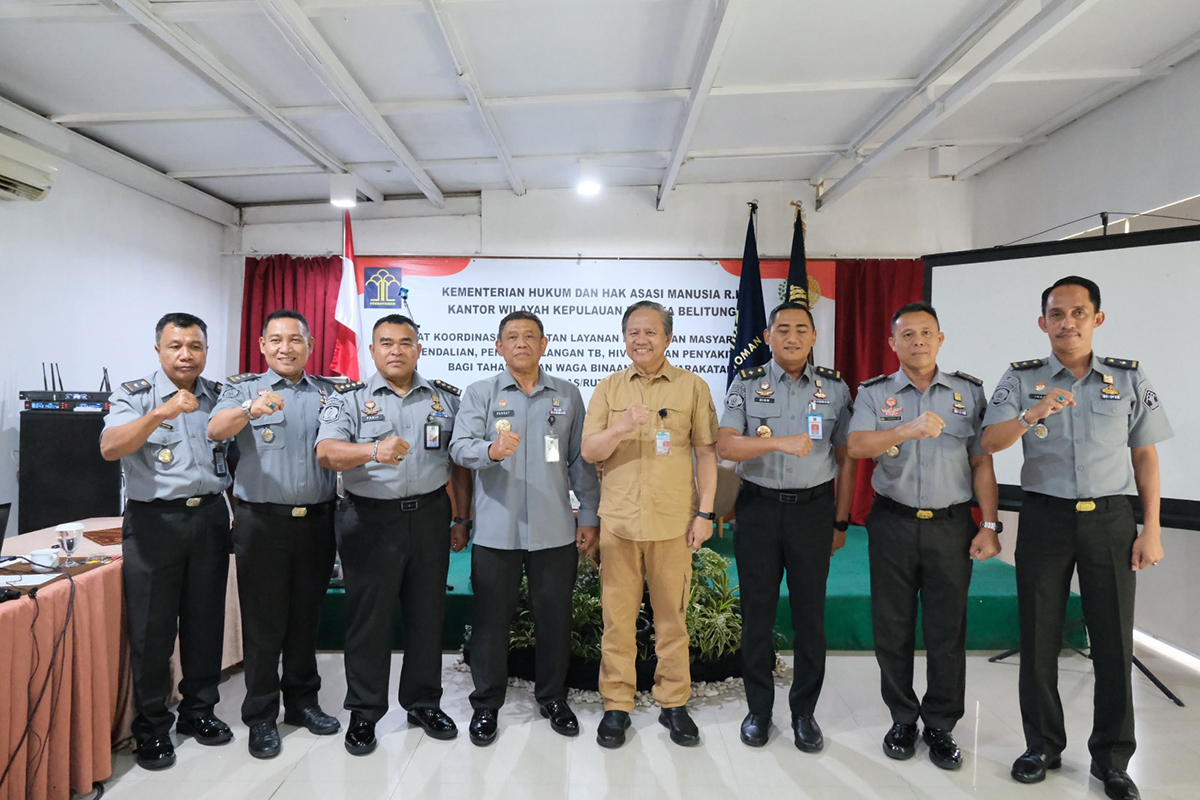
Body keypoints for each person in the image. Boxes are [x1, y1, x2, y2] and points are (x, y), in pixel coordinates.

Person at [981, 276, 1171, 800]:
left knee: (1112, 640)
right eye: (1057, 314)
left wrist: (1150, 527)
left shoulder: (1128, 379)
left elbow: (1145, 457)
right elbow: (989, 441)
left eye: (1079, 313)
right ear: (1042, 322)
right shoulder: (1022, 379)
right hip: (1045, 518)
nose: (1068, 323)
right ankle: (1041, 745)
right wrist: (1031, 414)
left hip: (1111, 519)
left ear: (1097, 320)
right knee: (1039, 637)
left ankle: (1112, 758)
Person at [846, 301, 1000, 770]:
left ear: (940, 338)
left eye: (926, 333)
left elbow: (981, 461)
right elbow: (855, 446)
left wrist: (989, 525)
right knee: (891, 628)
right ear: (892, 343)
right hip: (892, 522)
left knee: (946, 631)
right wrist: (907, 429)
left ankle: (940, 724)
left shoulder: (969, 393)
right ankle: (901, 718)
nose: (917, 342)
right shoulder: (874, 394)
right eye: (907, 335)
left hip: (952, 525)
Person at [315, 314, 472, 755]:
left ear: (418, 348)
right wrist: (372, 450)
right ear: (372, 350)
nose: (396, 350)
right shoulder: (348, 400)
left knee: (428, 614)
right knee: (369, 620)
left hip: (428, 516)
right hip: (369, 520)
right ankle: (364, 712)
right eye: (386, 342)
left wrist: (461, 519)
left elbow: (459, 464)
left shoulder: (445, 400)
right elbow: (326, 452)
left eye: (406, 342)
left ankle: (423, 703)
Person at [449, 311, 600, 746]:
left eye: (530, 337)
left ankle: (553, 697)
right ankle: (487, 704)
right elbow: (459, 448)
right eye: (512, 337)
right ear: (499, 346)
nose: (521, 343)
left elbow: (579, 462)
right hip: (498, 532)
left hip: (554, 531)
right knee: (491, 621)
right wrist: (490, 450)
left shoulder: (567, 395)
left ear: (544, 344)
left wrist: (589, 514)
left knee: (554, 619)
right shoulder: (480, 394)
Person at [717, 301, 856, 752]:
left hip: (813, 512)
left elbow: (846, 457)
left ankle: (804, 713)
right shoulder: (747, 382)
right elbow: (726, 448)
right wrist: (778, 443)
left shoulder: (834, 389)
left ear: (813, 337)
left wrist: (841, 518)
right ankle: (758, 710)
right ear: (769, 336)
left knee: (809, 616)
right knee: (756, 613)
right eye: (783, 330)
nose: (792, 337)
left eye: (801, 329)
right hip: (757, 508)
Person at [581, 300, 718, 749]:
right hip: (619, 523)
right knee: (617, 620)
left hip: (673, 523)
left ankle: (673, 703)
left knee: (672, 619)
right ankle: (616, 705)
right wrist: (621, 426)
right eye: (632, 332)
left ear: (668, 338)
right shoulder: (608, 389)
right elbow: (590, 451)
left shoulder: (691, 387)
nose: (640, 340)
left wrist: (706, 513)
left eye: (650, 332)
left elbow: (705, 454)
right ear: (624, 339)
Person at [100, 312, 234, 771]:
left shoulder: (219, 396)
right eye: (176, 345)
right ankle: (152, 727)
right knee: (153, 631)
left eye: (195, 346)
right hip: (155, 522)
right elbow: (110, 447)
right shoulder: (134, 394)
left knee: (205, 623)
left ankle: (199, 713)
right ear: (158, 348)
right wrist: (162, 411)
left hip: (211, 519)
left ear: (205, 351)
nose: (185, 354)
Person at [207, 309, 340, 758]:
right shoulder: (243, 388)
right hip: (262, 522)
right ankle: (261, 716)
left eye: (296, 340)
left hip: (319, 520)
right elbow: (214, 429)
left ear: (311, 345)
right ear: (263, 345)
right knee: (264, 625)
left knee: (306, 618)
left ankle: (302, 704)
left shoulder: (331, 392)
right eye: (277, 340)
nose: (287, 347)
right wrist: (249, 409)